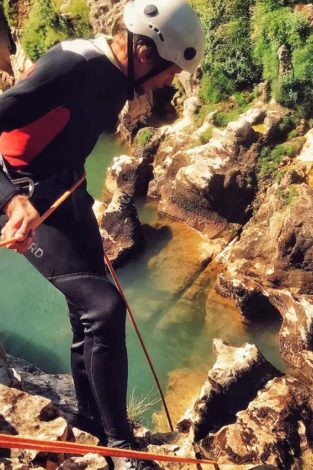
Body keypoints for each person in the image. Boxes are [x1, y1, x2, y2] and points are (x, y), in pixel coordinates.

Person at [0, 1, 204, 468]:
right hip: (24, 199)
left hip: (64, 190)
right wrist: (12, 200)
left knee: (86, 311)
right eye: (172, 70)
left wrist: (77, 194)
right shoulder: (73, 67)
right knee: (105, 307)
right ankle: (120, 446)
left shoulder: (117, 77)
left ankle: (93, 415)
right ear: (145, 52)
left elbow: (66, 138)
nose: (172, 81)